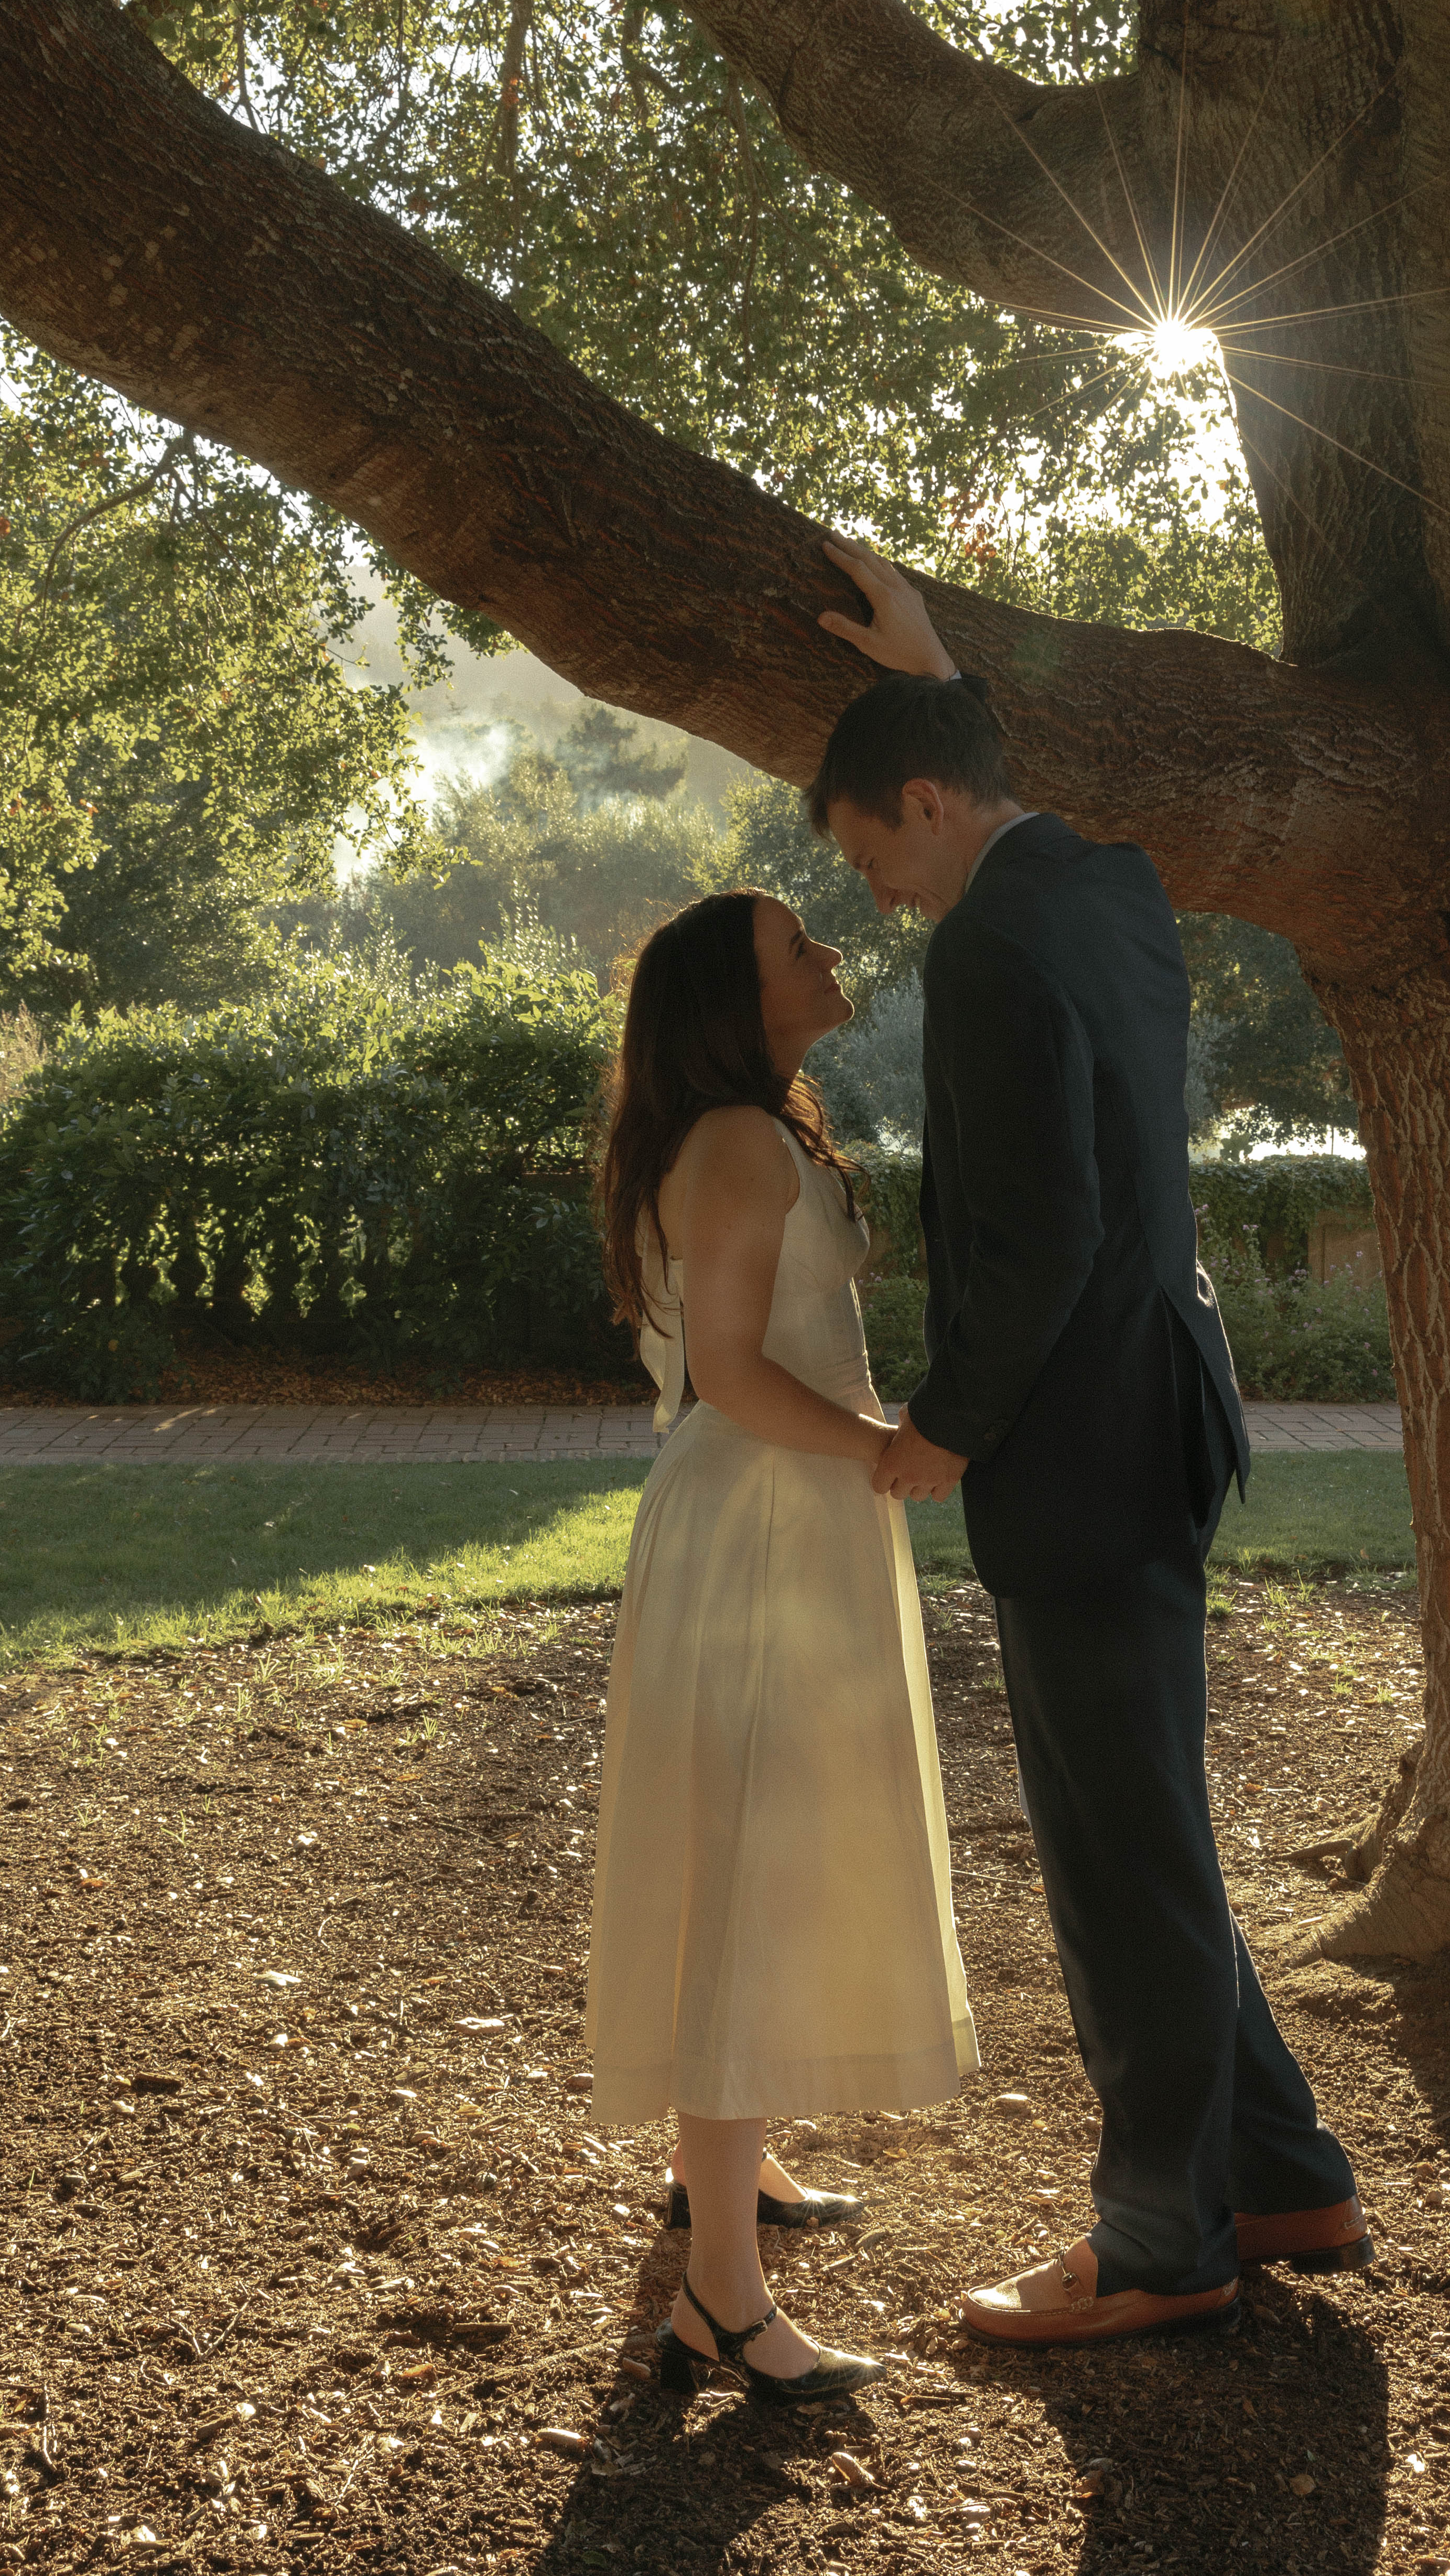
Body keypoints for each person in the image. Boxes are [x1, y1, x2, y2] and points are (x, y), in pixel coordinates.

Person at [802, 535, 1370, 2351]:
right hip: (1166, 1420)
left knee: (1121, 1854)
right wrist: (939, 660)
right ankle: (1281, 2173)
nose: (880, 897)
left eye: (872, 851)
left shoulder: (985, 947)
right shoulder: (1110, 892)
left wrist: (938, 1432)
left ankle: (1160, 2246)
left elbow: (1039, 1233)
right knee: (1155, 1829)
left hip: (1068, 1448)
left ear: (922, 804)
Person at [587, 886, 978, 2403]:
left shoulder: (747, 1129)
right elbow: (737, 1375)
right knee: (751, 1861)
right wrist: (887, 1446)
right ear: (730, 1001)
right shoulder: (739, 1143)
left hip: (772, 1523)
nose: (829, 956)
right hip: (763, 1521)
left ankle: (730, 2180)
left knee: (762, 1852)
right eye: (796, 948)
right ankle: (723, 2301)